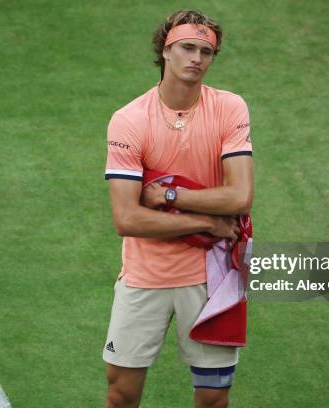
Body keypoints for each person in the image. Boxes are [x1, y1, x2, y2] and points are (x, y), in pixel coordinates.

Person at [103, 9, 253, 408]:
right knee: (120, 395)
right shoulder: (129, 120)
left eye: (206, 51)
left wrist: (168, 197)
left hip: (212, 279)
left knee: (212, 398)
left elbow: (240, 197)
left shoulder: (230, 108)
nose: (197, 58)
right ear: (165, 50)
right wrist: (207, 221)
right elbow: (127, 219)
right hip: (144, 275)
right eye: (187, 47)